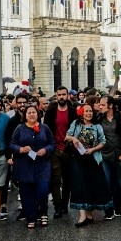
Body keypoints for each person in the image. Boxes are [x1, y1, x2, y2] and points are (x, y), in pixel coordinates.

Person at [65, 104, 112, 227]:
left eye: (90, 111)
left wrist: (93, 150)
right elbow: (67, 136)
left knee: (92, 185)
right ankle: (82, 216)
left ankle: (90, 214)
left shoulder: (97, 126)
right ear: (81, 113)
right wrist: (74, 139)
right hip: (78, 159)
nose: (89, 113)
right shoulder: (76, 124)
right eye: (86, 111)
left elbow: (103, 142)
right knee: (80, 185)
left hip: (93, 159)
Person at [9, 105, 55, 229]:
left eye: (34, 112)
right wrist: (21, 149)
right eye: (29, 113)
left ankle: (43, 212)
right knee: (27, 193)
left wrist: (45, 150)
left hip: (42, 165)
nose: (31, 115)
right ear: (25, 116)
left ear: (37, 114)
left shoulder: (44, 128)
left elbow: (52, 144)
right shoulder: (20, 128)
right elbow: (12, 145)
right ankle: (31, 217)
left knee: (42, 190)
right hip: (25, 165)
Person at [44, 86, 78, 218]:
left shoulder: (72, 111)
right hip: (55, 149)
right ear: (56, 96)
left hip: (69, 150)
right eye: (59, 95)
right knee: (55, 179)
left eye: (64, 94)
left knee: (67, 180)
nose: (62, 97)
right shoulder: (51, 112)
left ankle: (64, 205)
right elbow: (46, 130)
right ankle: (57, 206)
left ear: (67, 95)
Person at [97, 95, 121, 218]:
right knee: (107, 183)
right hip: (104, 155)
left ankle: (118, 207)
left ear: (110, 106)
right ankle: (108, 210)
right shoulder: (99, 119)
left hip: (119, 155)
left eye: (103, 105)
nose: (100, 107)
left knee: (119, 184)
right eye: (99, 104)